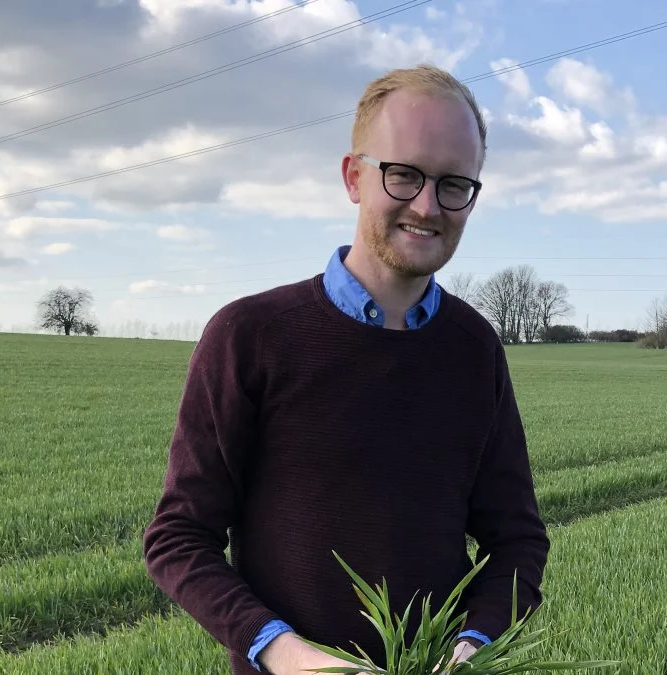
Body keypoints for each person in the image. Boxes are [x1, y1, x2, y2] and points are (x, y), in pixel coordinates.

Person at [143, 63, 550, 675]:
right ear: (353, 176)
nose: (427, 205)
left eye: (453, 184)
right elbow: (178, 538)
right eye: (404, 174)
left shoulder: (475, 350)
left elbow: (516, 542)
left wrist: (472, 644)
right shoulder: (250, 336)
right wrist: (284, 653)